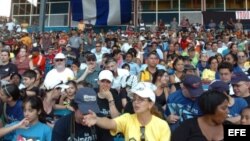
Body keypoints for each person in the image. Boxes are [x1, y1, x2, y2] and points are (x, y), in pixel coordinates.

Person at [83, 82, 171, 141]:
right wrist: (97, 119)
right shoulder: (127, 118)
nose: (136, 103)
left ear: (150, 104)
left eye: (141, 100)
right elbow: (110, 123)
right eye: (134, 99)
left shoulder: (162, 125)